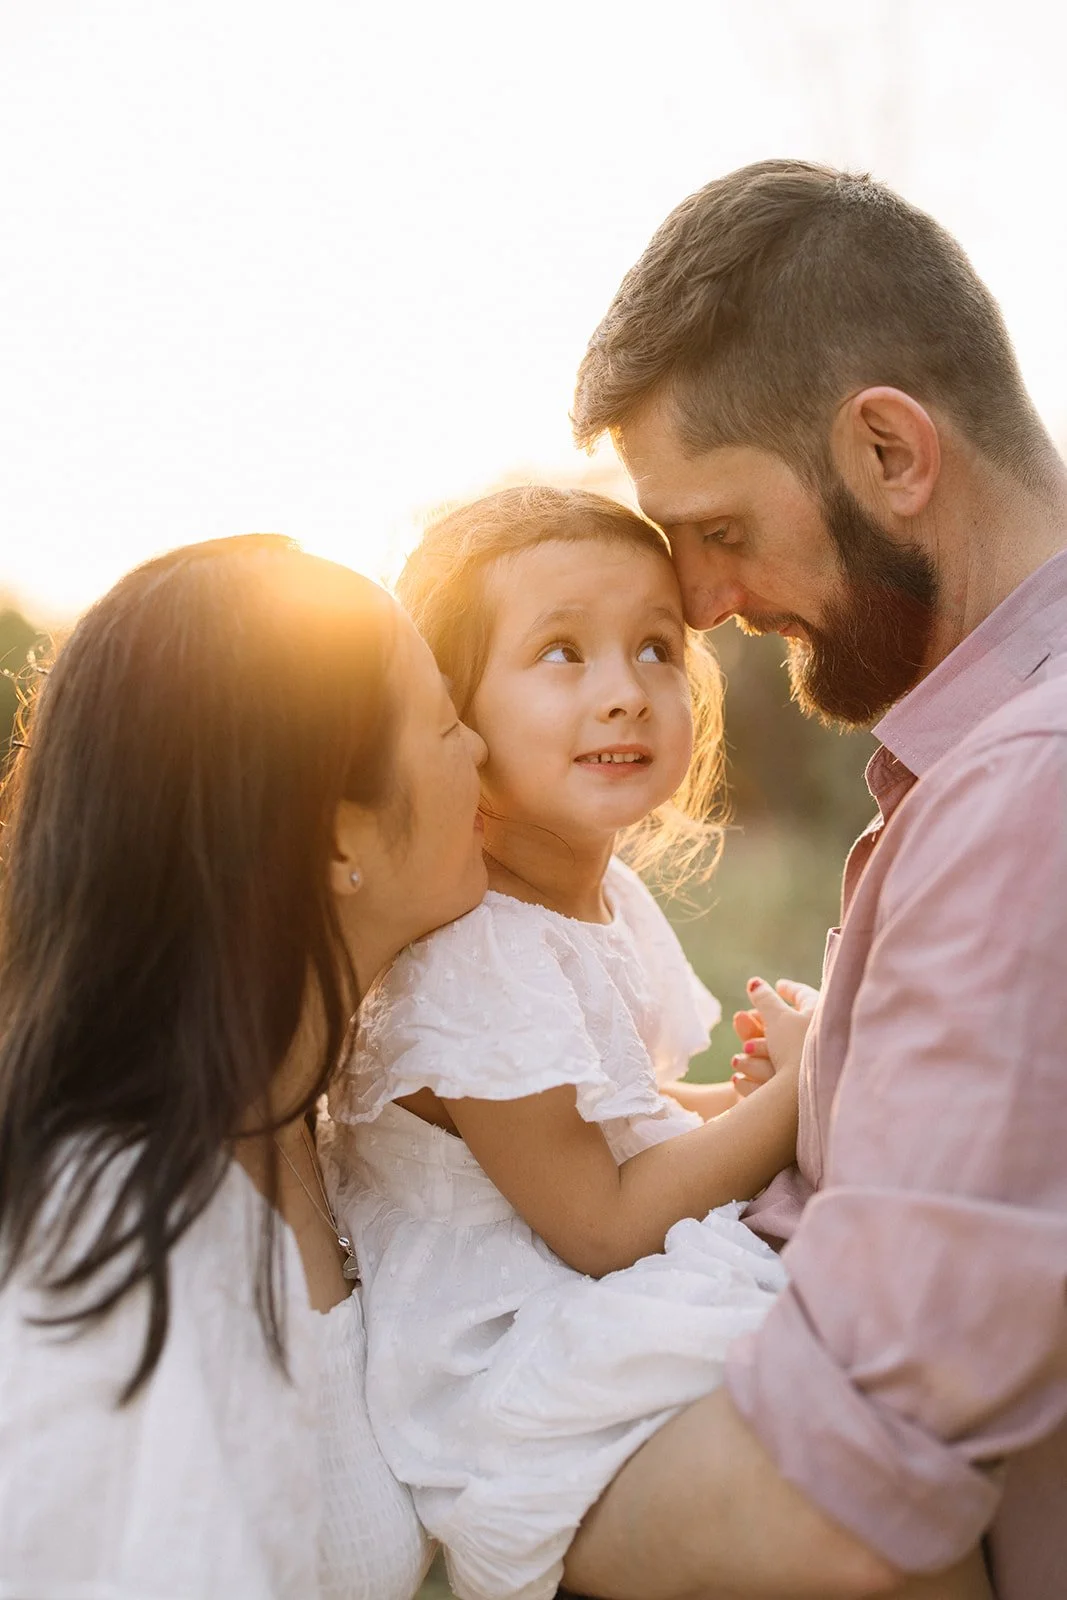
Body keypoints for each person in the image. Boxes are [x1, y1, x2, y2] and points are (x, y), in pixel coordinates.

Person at [559, 160, 1067, 1599]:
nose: (703, 605)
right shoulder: (984, 764)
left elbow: (832, 1505)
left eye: (720, 531)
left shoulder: (1024, 788)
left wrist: (471, 1485)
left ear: (891, 455)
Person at [323, 485, 815, 1600]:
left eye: (653, 648)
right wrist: (795, 1093)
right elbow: (597, 1221)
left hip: (593, 1293)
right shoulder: (476, 952)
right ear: (453, 719)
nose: (623, 693)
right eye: (560, 651)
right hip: (511, 1370)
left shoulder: (610, 900)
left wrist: (748, 1097)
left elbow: (625, 1111)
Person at [0, 533, 489, 1599]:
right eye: (446, 719)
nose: (480, 749)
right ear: (334, 840)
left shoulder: (319, 1134)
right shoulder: (130, 1234)